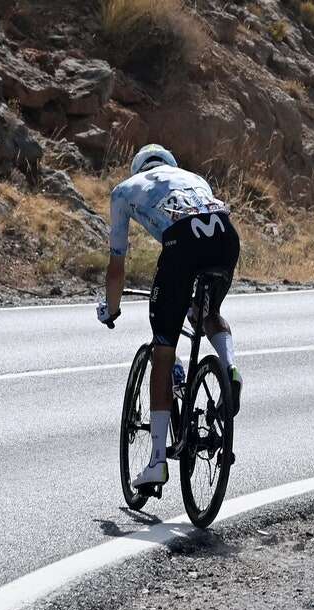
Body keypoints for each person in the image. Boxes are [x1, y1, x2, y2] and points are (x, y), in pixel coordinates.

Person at [96, 144, 242, 493]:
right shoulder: (194, 178)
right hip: (225, 236)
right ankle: (229, 369)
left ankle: (157, 462)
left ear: (138, 170)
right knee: (208, 314)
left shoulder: (125, 191)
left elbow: (117, 268)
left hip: (182, 244)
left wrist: (111, 309)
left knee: (163, 348)